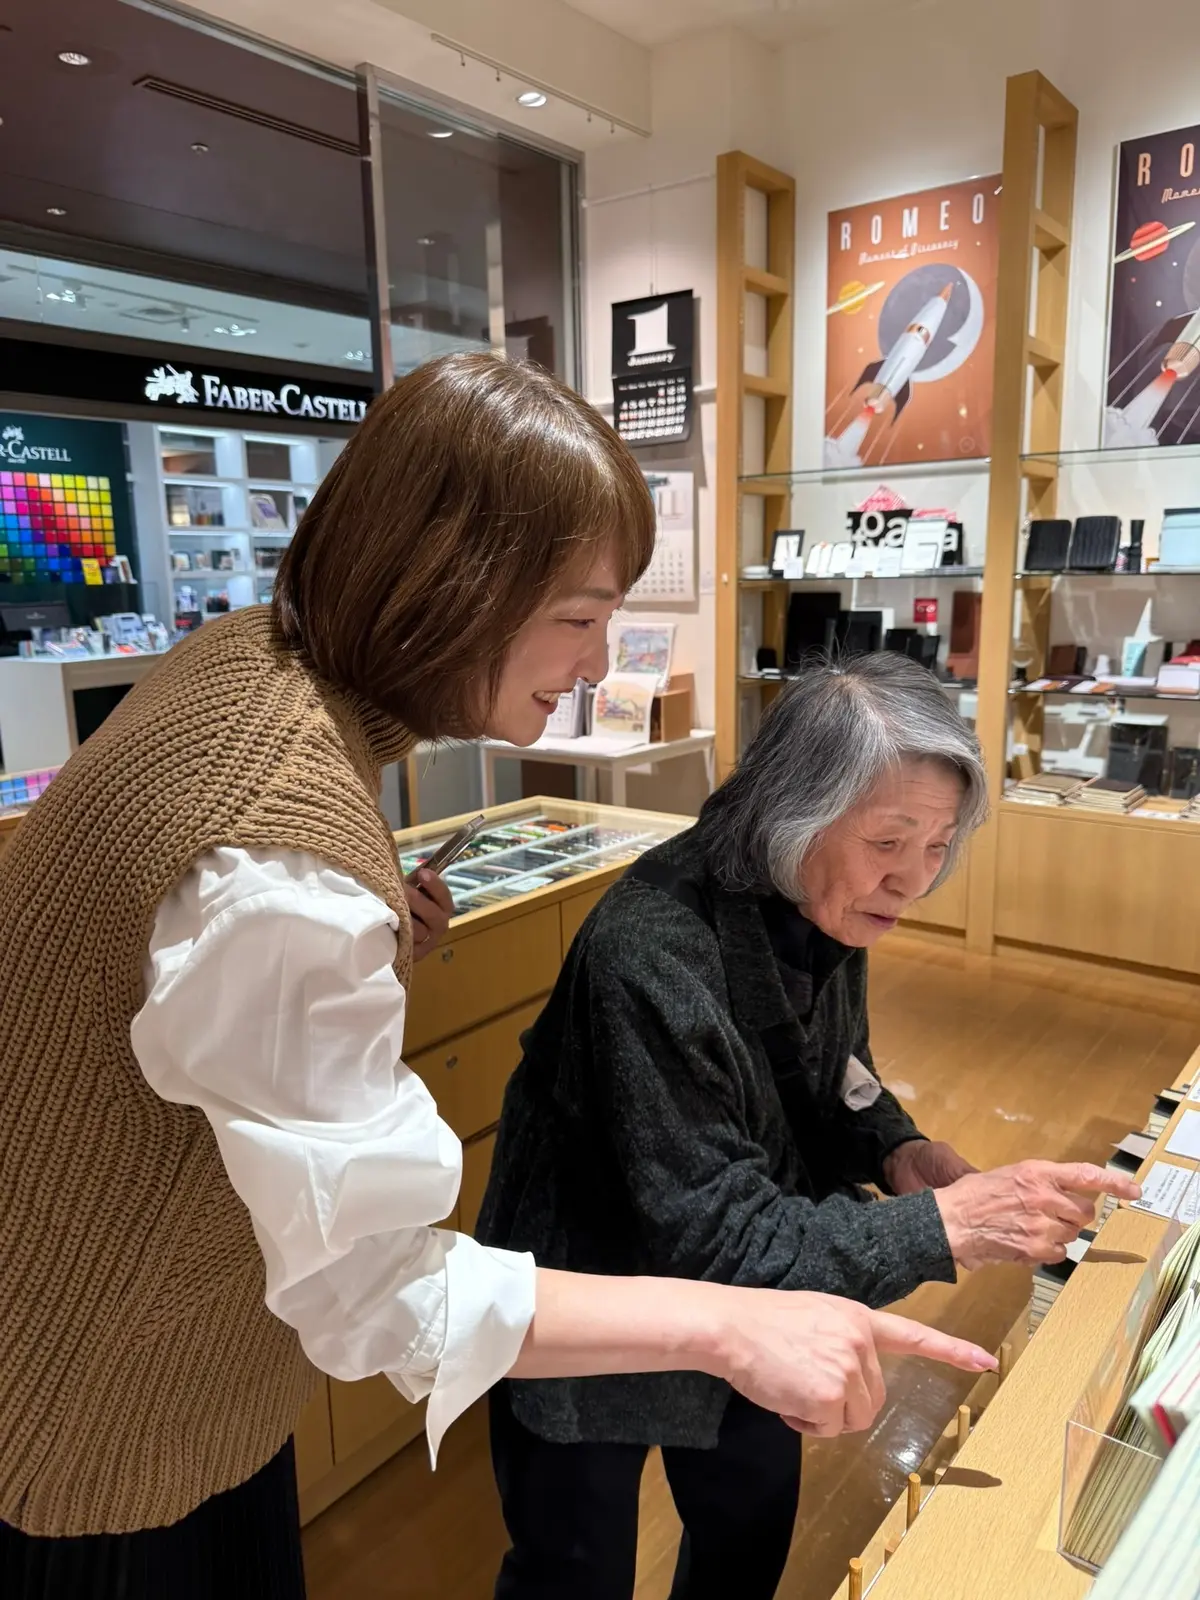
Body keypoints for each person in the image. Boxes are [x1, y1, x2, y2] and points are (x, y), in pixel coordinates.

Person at [0, 357, 995, 1600]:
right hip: (91, 1417)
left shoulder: (246, 673)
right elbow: (379, 1290)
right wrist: (735, 1321)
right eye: (578, 616)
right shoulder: (283, 857)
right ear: (451, 583)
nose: (596, 661)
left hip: (145, 1368)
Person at [478, 653, 1141, 1600]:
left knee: (746, 1530)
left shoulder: (822, 895)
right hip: (594, 1286)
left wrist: (895, 1148)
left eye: (938, 846)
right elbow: (717, 1233)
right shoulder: (650, 948)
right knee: (573, 1564)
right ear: (797, 818)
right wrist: (952, 1224)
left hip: (757, 1275)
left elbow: (835, 1072)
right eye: (889, 842)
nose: (913, 879)